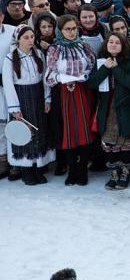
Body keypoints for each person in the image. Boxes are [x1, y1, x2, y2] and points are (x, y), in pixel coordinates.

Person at [44, 15, 96, 186]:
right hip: (64, 93)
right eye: (68, 29)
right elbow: (49, 76)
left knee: (85, 129)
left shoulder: (84, 46)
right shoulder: (55, 50)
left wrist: (84, 76)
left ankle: (82, 167)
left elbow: (91, 67)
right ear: (60, 30)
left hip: (83, 91)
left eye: (74, 28)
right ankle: (72, 167)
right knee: (67, 131)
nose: (72, 32)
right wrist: (64, 78)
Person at [2, 25, 55, 185]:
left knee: (40, 130)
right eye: (26, 38)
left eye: (32, 37)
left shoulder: (38, 54)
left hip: (38, 97)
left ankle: (39, 168)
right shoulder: (11, 58)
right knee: (25, 134)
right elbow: (8, 84)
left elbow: (45, 78)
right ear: (18, 39)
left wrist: (47, 99)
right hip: (22, 98)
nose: (30, 40)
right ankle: (26, 170)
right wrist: (14, 109)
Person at [87, 33, 130, 190]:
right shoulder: (101, 61)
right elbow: (91, 83)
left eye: (117, 42)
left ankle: (126, 171)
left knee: (126, 141)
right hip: (107, 107)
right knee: (109, 142)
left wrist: (115, 68)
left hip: (125, 108)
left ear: (123, 45)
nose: (114, 44)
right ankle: (115, 171)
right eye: (111, 42)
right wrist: (105, 68)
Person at [0, 0, 16, 181]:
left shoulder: (12, 31)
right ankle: (3, 160)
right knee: (1, 126)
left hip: (12, 84)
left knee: (15, 122)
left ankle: (16, 162)